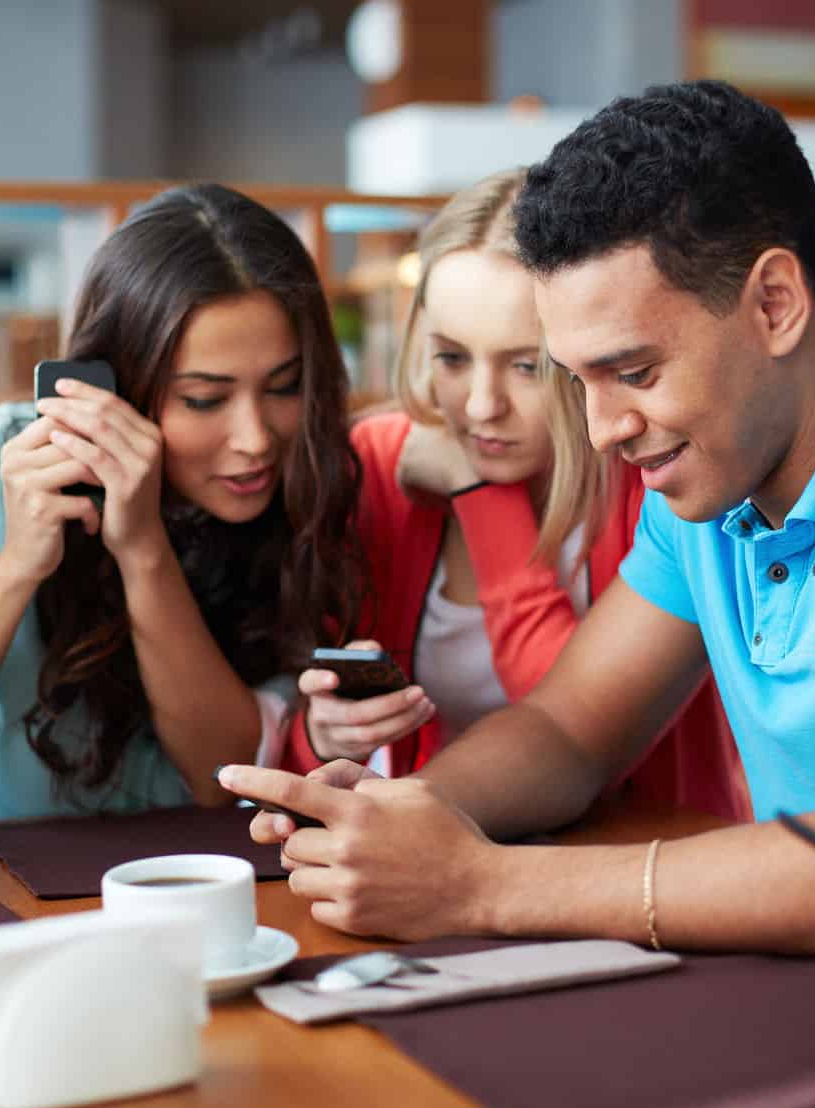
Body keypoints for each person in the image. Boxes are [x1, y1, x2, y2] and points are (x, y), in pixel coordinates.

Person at [220, 78, 815, 956]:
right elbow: (567, 729)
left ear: (776, 303)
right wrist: (411, 813)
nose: (605, 431)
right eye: (578, 380)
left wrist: (485, 887)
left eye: (636, 373)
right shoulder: (715, 482)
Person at [0, 184, 362, 831]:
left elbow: (220, 777)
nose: (255, 438)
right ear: (115, 380)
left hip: (194, 888)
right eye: (204, 399)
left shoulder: (305, 483)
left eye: (285, 387)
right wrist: (17, 567)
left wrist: (142, 547)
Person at [287, 168, 748, 823]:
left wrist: (481, 497)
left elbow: (578, 730)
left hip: (645, 862)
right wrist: (326, 733)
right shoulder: (381, 467)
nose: (480, 405)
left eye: (525, 366)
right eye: (451, 358)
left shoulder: (655, 477)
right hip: (439, 855)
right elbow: (292, 753)